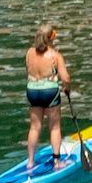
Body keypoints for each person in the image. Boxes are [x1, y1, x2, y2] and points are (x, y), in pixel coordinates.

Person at [22, 24, 73, 165]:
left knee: (34, 127)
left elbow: (28, 71)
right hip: (49, 92)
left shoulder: (29, 53)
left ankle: (30, 161)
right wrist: (66, 88)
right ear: (51, 38)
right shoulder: (55, 56)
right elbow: (66, 78)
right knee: (54, 127)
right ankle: (57, 162)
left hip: (32, 91)